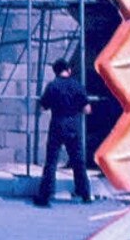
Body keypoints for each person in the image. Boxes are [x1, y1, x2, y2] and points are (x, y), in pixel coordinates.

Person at [33, 58, 92, 207]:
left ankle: (45, 195)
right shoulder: (78, 86)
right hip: (73, 126)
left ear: (55, 72)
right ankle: (84, 193)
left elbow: (42, 107)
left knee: (51, 162)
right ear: (69, 70)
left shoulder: (52, 86)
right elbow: (87, 109)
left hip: (57, 125)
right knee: (78, 161)